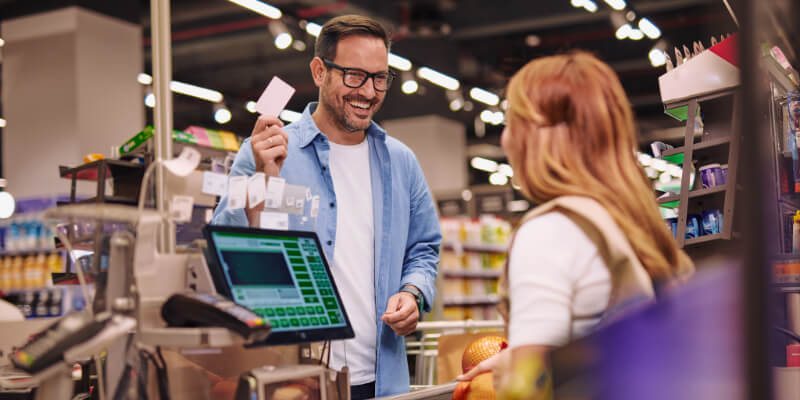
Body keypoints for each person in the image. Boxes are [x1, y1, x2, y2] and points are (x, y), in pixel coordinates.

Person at [212, 15, 441, 399]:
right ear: (319, 71)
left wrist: (413, 292)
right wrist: (262, 181)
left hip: (382, 381)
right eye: (354, 75)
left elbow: (424, 248)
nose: (368, 92)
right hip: (295, 381)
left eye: (380, 78)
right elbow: (226, 249)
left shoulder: (402, 163)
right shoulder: (265, 151)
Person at [457, 51, 694, 394]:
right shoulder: (625, 221)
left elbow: (529, 389)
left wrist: (514, 372)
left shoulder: (550, 232)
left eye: (511, 123)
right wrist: (518, 358)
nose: (505, 139)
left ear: (535, 136)